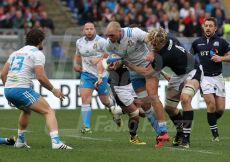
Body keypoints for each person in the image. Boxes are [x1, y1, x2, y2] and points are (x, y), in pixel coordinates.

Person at [125, 27, 202, 149]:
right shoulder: (169, 38)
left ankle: (186, 139)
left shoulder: (162, 57)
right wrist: (153, 54)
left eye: (154, 45)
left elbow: (146, 73)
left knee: (185, 99)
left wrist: (129, 65)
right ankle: (180, 133)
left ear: (161, 43)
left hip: (193, 71)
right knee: (170, 108)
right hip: (178, 75)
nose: (152, 46)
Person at [1, 28, 72, 149]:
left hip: (8, 89)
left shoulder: (15, 53)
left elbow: (3, 74)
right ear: (39, 40)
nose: (43, 43)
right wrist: (54, 90)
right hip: (21, 89)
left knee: (26, 110)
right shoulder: (37, 54)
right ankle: (56, 142)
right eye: (43, 41)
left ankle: (20, 141)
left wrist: (9, 89)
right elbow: (40, 77)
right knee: (49, 111)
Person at [105, 21, 169, 147]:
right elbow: (118, 60)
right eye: (108, 35)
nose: (109, 37)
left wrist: (151, 53)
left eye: (111, 35)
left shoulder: (134, 33)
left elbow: (151, 40)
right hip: (134, 72)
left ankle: (163, 129)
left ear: (119, 31)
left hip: (149, 67)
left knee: (152, 96)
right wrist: (114, 65)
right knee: (145, 105)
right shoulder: (109, 45)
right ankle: (160, 134)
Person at [74, 22, 122, 134]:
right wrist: (76, 64)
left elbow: (110, 54)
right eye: (87, 29)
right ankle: (86, 127)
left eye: (91, 29)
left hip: (102, 75)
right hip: (86, 74)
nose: (89, 31)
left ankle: (114, 109)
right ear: (83, 30)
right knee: (85, 99)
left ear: (94, 30)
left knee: (105, 102)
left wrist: (99, 59)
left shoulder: (102, 41)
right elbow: (77, 54)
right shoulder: (79, 42)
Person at [191, 17, 230, 141]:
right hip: (204, 78)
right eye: (206, 25)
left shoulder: (222, 42)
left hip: (218, 77)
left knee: (220, 109)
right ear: (203, 27)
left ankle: (211, 120)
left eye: (210, 26)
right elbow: (188, 57)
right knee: (211, 105)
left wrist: (221, 58)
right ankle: (215, 134)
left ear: (215, 28)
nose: (208, 28)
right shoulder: (197, 43)